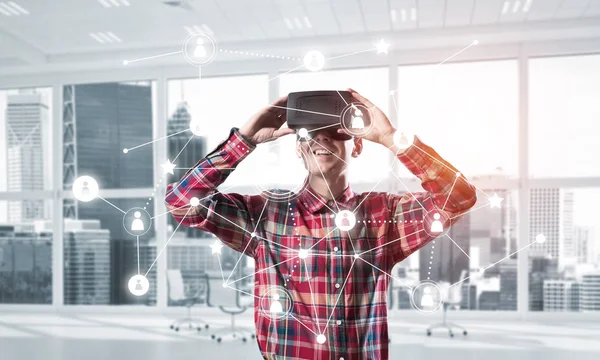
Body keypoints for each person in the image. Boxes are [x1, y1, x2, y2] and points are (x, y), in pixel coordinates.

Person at [165, 88, 477, 360]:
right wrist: (243, 141)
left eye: (334, 130)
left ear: (355, 146)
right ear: (299, 149)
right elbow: (181, 203)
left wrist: (392, 139)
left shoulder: (384, 216)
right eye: (310, 133)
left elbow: (459, 198)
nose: (322, 137)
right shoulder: (266, 215)